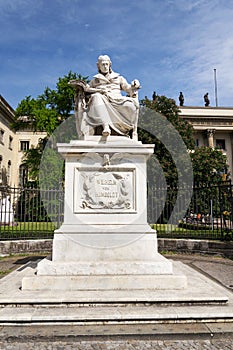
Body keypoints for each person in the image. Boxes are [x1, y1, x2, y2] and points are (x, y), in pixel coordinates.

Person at [69, 55, 141, 139]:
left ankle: (133, 132)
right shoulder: (94, 80)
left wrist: (134, 85)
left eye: (107, 64)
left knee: (131, 104)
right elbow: (87, 89)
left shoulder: (119, 78)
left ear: (110, 64)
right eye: (103, 64)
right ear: (98, 65)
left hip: (117, 99)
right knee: (96, 97)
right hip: (101, 99)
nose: (105, 66)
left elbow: (128, 89)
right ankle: (105, 126)